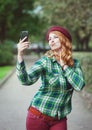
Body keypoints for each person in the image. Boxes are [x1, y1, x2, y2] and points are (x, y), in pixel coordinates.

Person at [16, 26, 85, 130]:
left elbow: (79, 86)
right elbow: (25, 80)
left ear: (64, 39)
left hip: (59, 118)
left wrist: (65, 66)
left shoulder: (75, 64)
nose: (51, 41)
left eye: (55, 37)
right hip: (38, 115)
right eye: (49, 39)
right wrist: (20, 55)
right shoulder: (45, 61)